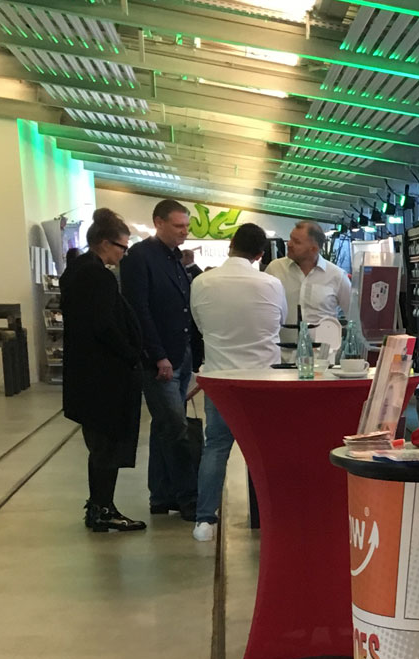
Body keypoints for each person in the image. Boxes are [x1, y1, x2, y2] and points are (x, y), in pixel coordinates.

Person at [188, 223, 286, 543]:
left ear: (231, 244)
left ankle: (204, 521)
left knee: (216, 446)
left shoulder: (202, 282)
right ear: (259, 254)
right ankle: (273, 515)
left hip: (221, 378)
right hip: (263, 379)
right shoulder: (271, 284)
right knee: (267, 449)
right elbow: (280, 321)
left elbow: (200, 325)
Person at [61, 208, 152, 534]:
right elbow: (102, 325)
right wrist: (131, 354)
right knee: (108, 446)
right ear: (103, 243)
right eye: (121, 246)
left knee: (100, 445)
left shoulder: (77, 271)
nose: (124, 253)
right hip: (104, 377)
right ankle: (103, 509)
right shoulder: (96, 276)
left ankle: (100, 506)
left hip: (87, 375)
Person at [119, 198, 201, 518]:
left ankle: (162, 495)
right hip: (160, 360)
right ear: (159, 223)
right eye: (178, 226)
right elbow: (139, 310)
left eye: (187, 226)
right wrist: (157, 355)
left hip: (180, 354)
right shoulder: (140, 258)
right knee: (176, 428)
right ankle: (188, 497)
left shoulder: (174, 259)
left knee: (164, 426)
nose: (184, 231)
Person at [267, 220, 352, 359]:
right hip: (281, 356)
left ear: (313, 249)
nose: (289, 244)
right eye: (290, 238)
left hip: (322, 360)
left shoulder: (336, 276)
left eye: (296, 242)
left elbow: (353, 316)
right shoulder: (275, 269)